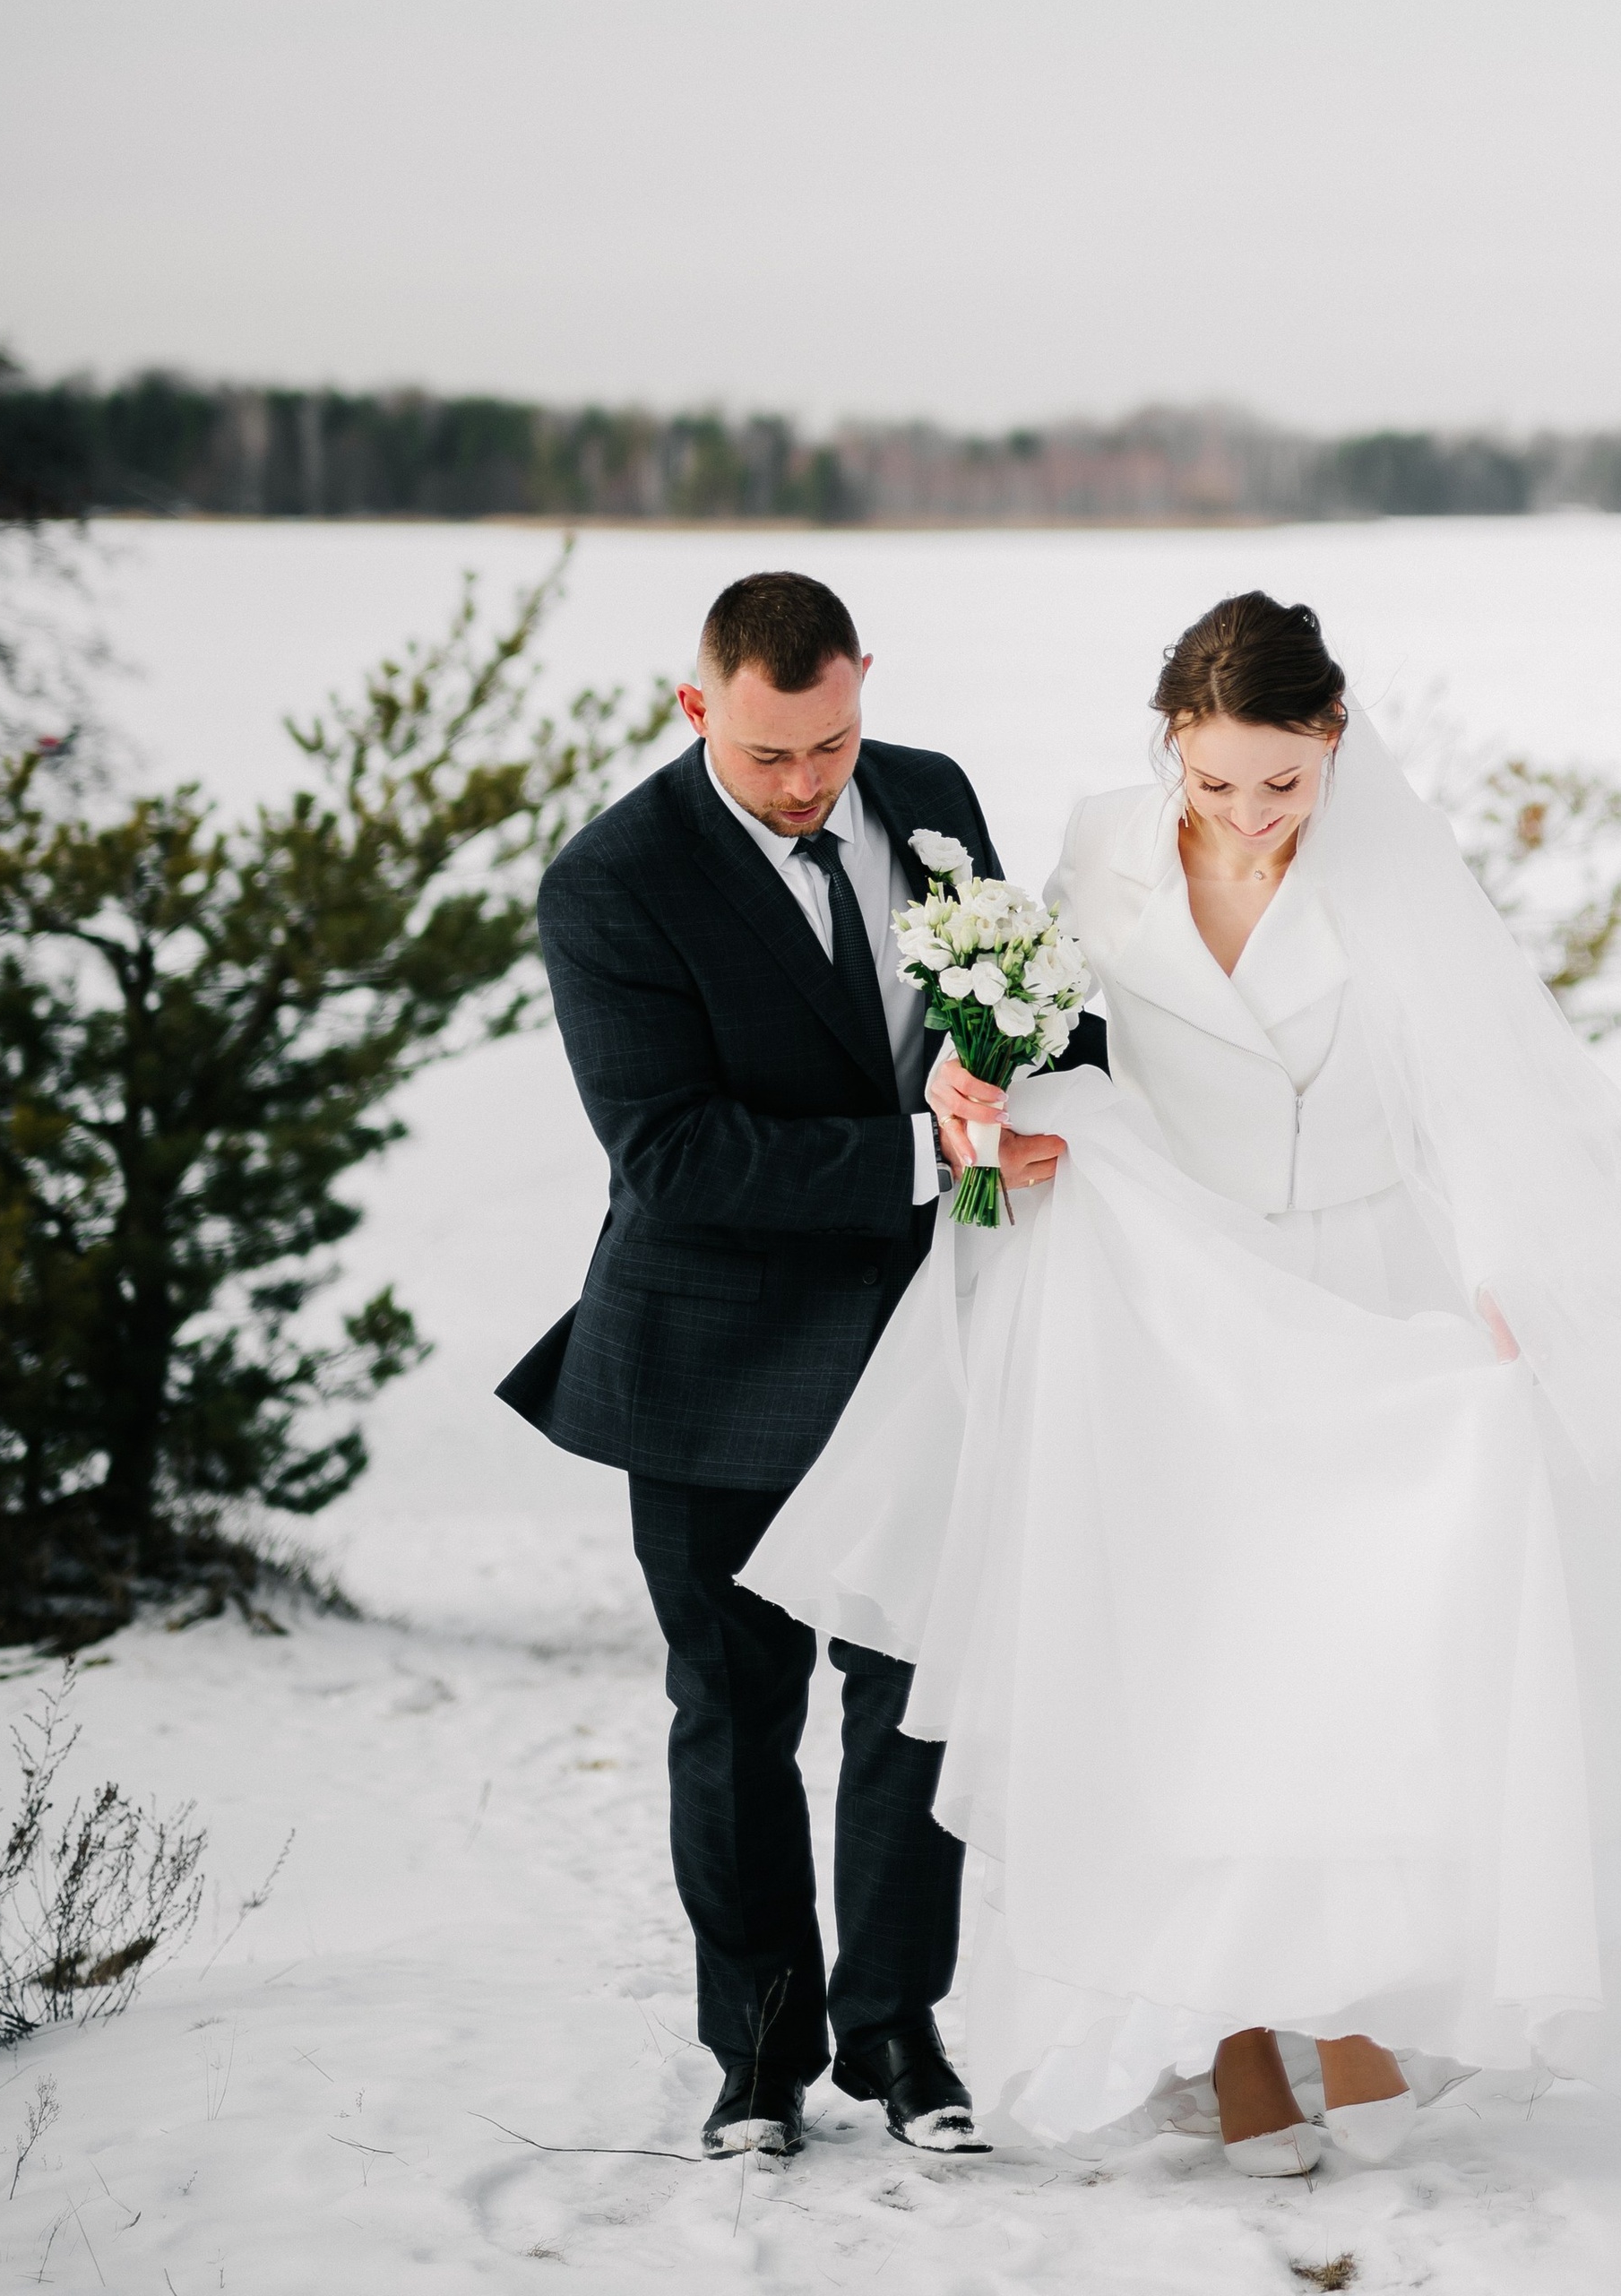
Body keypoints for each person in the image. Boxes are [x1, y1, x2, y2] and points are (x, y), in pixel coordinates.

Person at [747, 590, 1621, 2174]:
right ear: (1172, 743)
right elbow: (1037, 1028)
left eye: (1283, 782)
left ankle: (1353, 1999)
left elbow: (1476, 1080)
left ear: (1335, 746)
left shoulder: (1388, 869)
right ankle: (1236, 2027)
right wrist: (986, 1088)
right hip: (1180, 1301)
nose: (1250, 815)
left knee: (1368, 1662)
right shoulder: (1103, 848)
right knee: (1204, 1667)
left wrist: (1508, 1276)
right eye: (1218, 779)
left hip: (1371, 1283)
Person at [495, 569, 1099, 2163]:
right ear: (697, 708)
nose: (809, 781)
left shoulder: (930, 795)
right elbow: (674, 1153)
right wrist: (927, 1149)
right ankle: (758, 2048)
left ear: (862, 692)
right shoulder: (609, 884)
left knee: (914, 1709)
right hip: (712, 1363)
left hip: (926, 1345)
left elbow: (1023, 997)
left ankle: (901, 2035)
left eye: (831, 742)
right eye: (771, 755)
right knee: (736, 1713)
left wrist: (1057, 1083)